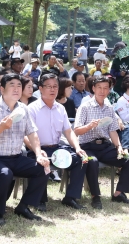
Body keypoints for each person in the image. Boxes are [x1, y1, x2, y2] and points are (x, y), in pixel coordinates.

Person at [0, 73, 50, 225]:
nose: (17, 89)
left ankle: (23, 207)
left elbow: (32, 133)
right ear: (2, 89)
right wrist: (1, 127)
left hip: (16, 157)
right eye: (12, 85)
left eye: (19, 85)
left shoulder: (23, 108)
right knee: (5, 174)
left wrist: (38, 154)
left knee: (43, 168)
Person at [27, 73, 97, 210]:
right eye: (49, 87)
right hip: (37, 149)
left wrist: (77, 147)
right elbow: (27, 135)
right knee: (40, 164)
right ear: (40, 88)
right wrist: (37, 152)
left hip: (57, 149)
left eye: (55, 86)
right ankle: (40, 200)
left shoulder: (60, 108)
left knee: (81, 159)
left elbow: (69, 131)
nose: (53, 90)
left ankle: (70, 197)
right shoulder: (32, 109)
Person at [75, 76, 129, 206]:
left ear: (109, 90)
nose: (102, 91)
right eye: (99, 88)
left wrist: (119, 146)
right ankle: (95, 196)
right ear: (93, 88)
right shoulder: (85, 107)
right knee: (93, 162)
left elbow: (113, 130)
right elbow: (76, 131)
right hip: (87, 145)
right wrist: (89, 126)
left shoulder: (109, 108)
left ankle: (119, 193)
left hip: (105, 146)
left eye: (105, 88)